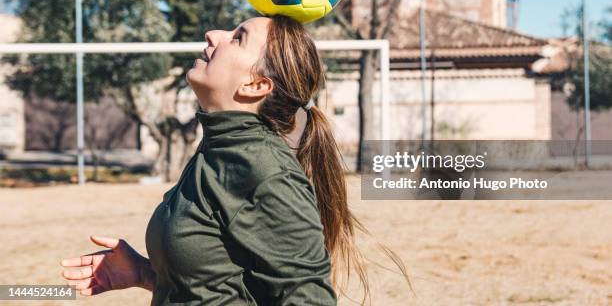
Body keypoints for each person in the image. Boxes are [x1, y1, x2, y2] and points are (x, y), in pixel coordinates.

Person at [60, 15, 409, 305]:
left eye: (238, 38)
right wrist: (146, 273)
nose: (213, 35)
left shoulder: (265, 170)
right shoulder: (221, 148)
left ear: (256, 85)